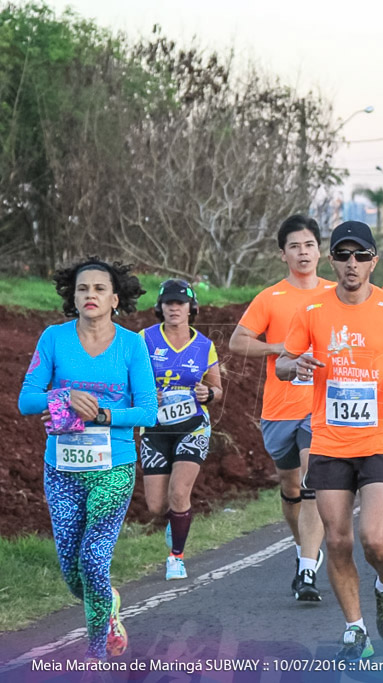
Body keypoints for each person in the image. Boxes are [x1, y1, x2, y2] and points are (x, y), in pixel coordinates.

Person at [276, 221, 383, 662]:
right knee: (339, 541)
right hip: (330, 440)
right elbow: (285, 364)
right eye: (343, 255)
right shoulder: (311, 312)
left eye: (360, 255)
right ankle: (354, 627)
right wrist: (294, 365)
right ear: (332, 261)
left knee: (374, 539)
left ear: (373, 260)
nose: (351, 263)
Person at [19, 258, 157, 660]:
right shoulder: (53, 339)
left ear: (115, 299)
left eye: (99, 289)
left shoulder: (132, 345)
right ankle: (109, 605)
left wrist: (102, 414)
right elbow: (26, 399)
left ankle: (97, 652)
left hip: (112, 467)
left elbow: (148, 411)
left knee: (94, 559)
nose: (90, 295)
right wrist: (59, 398)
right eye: (83, 289)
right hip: (61, 469)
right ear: (73, 297)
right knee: (74, 575)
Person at [229, 215, 335, 601]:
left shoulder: (336, 294)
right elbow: (238, 342)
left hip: (321, 407)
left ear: (319, 249)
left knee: (311, 479)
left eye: (309, 245)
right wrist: (278, 348)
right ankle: (303, 548)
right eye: (295, 246)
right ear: (282, 254)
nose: (303, 253)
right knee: (290, 486)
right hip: (279, 407)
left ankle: (307, 571)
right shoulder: (270, 298)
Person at [140, 280, 222, 581]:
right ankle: (177, 521)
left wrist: (207, 394)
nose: (174, 308)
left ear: (191, 308)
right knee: (156, 505)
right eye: (168, 303)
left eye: (181, 303)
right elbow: (130, 382)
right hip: (156, 428)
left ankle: (176, 557)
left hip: (193, 426)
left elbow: (217, 390)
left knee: (179, 492)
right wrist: (149, 394)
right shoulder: (144, 339)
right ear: (160, 308)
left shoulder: (203, 345)